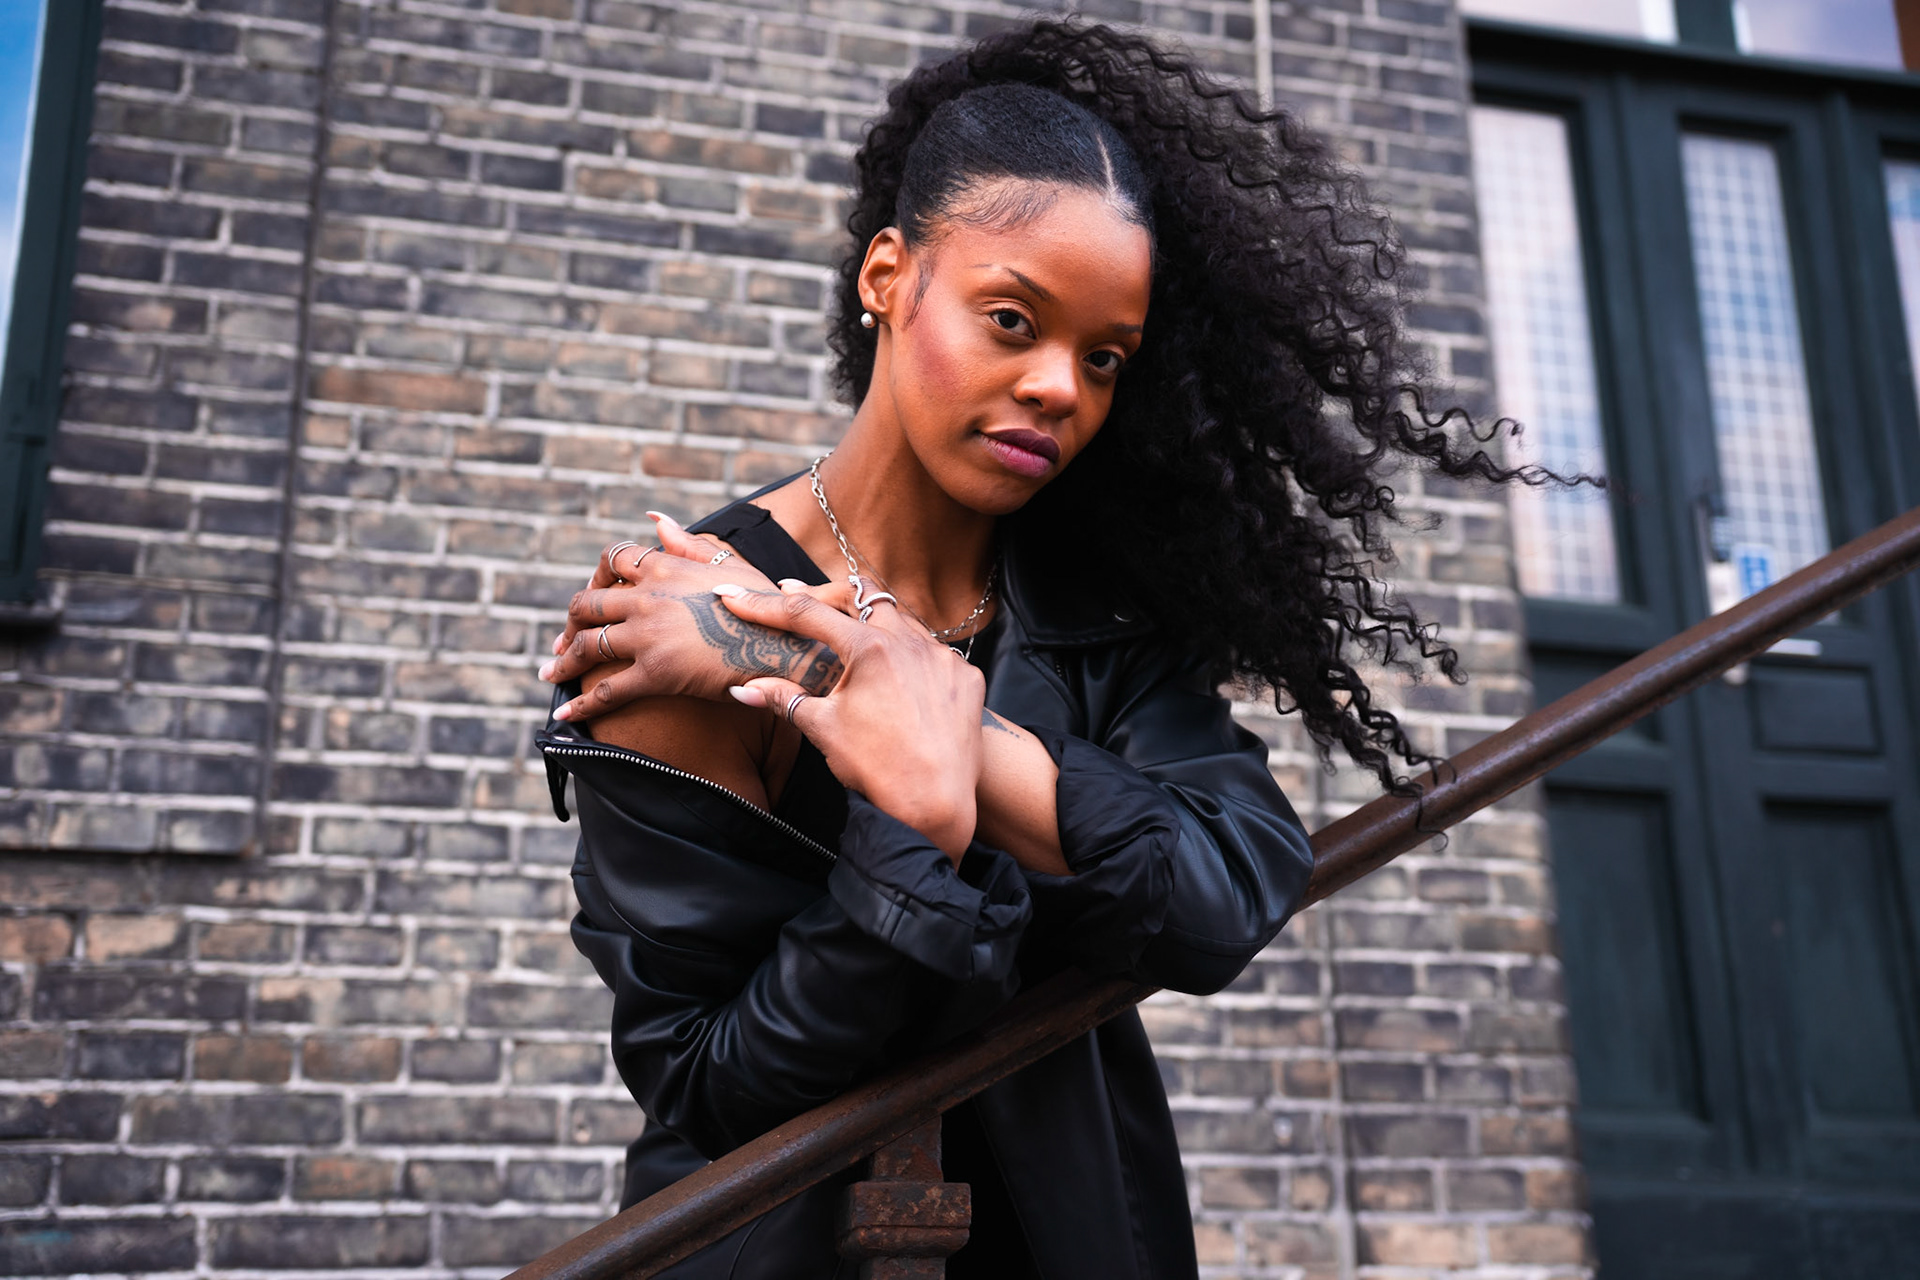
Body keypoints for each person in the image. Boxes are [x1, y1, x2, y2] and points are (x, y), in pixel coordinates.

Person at [536, 19, 1541, 1279]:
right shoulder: (677, 619)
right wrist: (907, 838)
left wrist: (851, 678)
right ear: (889, 275)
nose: (1063, 386)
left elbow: (1231, 888)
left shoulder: (1091, 611)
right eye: (1013, 319)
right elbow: (704, 1080)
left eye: (1104, 357)